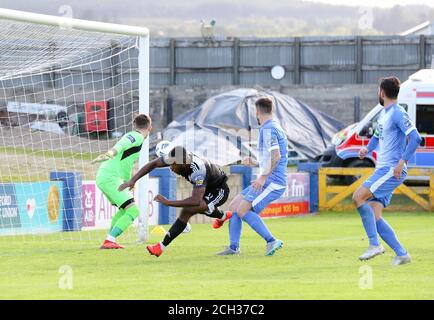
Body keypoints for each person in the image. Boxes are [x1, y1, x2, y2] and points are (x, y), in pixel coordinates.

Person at [352, 76, 422, 266]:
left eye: (378, 90)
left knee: (358, 197)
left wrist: (402, 162)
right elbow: (377, 136)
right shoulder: (384, 114)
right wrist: (367, 148)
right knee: (374, 216)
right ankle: (402, 254)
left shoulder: (398, 113)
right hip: (384, 169)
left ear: (382, 92)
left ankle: (375, 244)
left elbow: (416, 138)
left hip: (390, 170)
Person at [119, 146, 232, 257]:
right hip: (205, 187)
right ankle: (223, 216)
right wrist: (133, 180)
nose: (171, 167)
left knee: (190, 209)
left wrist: (168, 202)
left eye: (174, 165)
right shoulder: (176, 158)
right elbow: (153, 164)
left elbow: (195, 200)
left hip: (219, 190)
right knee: (194, 209)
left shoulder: (198, 171)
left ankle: (160, 247)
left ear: (183, 163)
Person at [217, 97, 287, 256]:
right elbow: (273, 158)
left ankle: (271, 241)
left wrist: (262, 178)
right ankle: (233, 248)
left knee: (242, 210)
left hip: (273, 181)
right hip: (268, 177)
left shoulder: (268, 129)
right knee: (234, 206)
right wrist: (255, 163)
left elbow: (276, 157)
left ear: (256, 112)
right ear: (272, 110)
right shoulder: (273, 127)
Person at [92, 114, 152, 249]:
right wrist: (112, 151)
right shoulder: (136, 136)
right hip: (110, 177)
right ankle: (110, 240)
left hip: (107, 176)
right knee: (133, 211)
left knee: (124, 209)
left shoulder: (135, 138)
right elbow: (121, 144)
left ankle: (109, 240)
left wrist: (128, 181)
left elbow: (127, 164)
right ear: (149, 127)